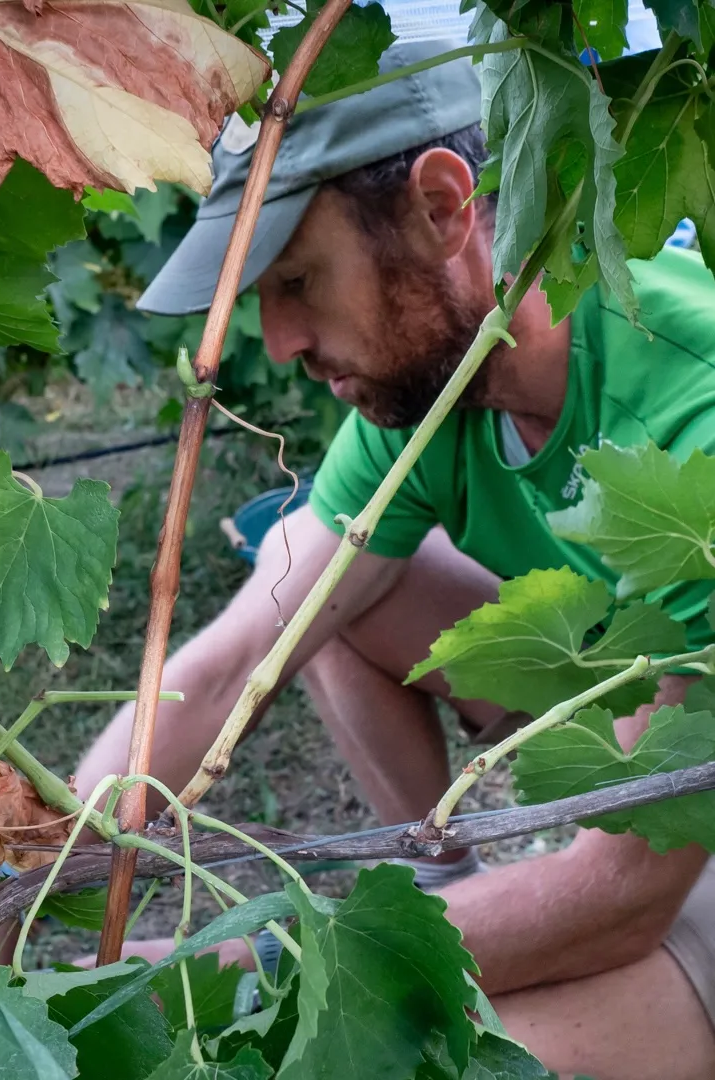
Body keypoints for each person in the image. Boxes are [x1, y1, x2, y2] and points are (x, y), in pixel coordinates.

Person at [74, 38, 715, 1080]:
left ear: (444, 205)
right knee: (307, 582)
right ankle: (446, 884)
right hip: (648, 703)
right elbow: (232, 664)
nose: (278, 340)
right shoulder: (434, 389)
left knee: (466, 1055)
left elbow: (619, 901)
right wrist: (26, 865)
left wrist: (242, 966)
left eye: (298, 282)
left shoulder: (693, 415)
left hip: (686, 810)